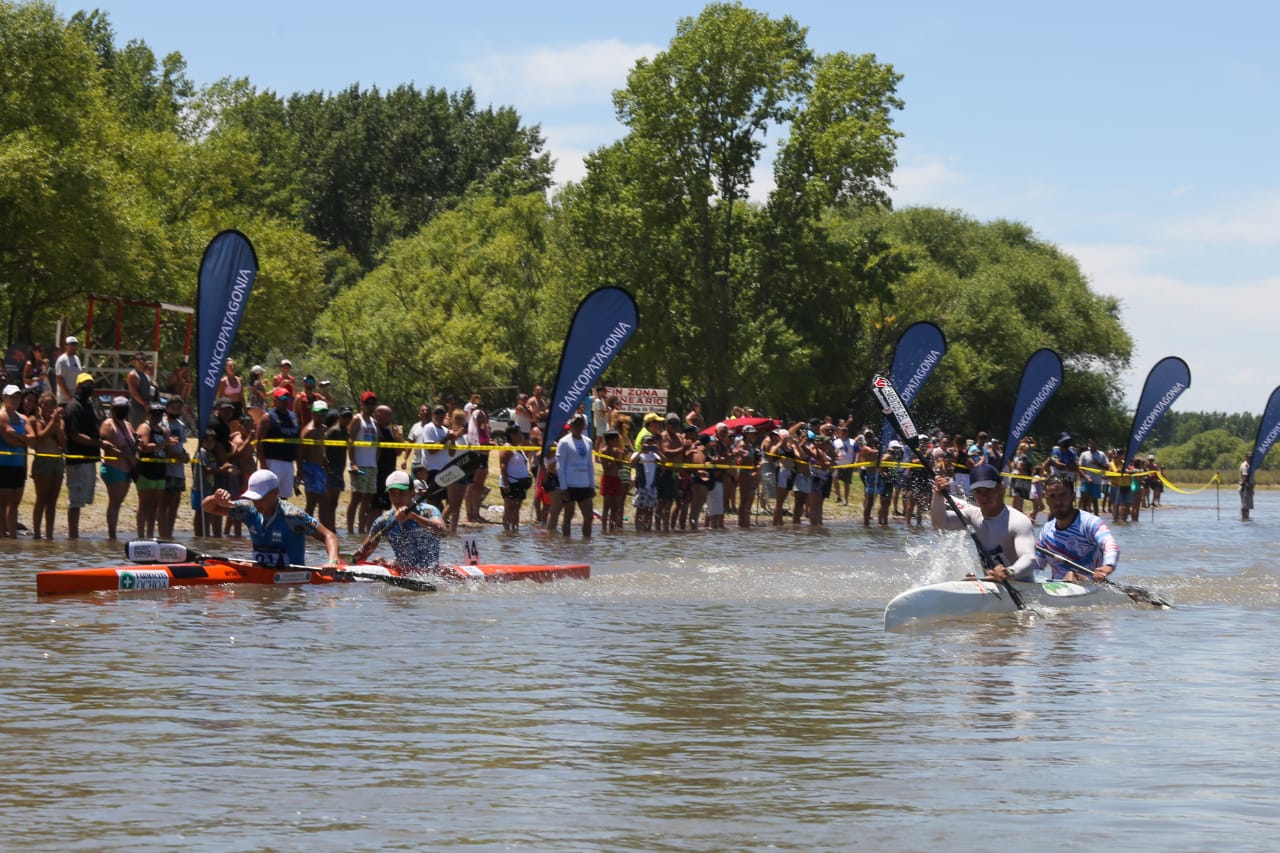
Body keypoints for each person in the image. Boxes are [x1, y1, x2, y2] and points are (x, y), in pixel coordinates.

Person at [202, 468, 340, 569]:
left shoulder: (292, 515)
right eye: (254, 498)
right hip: (260, 571)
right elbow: (208, 507)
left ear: (276, 493)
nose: (256, 503)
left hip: (292, 578)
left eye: (260, 498)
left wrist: (332, 562)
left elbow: (329, 536)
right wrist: (216, 498)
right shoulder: (247, 509)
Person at [931, 462, 1038, 583]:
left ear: (1001, 489)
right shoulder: (972, 515)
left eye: (988, 490)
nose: (983, 497)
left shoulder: (1018, 521)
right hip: (992, 585)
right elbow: (939, 523)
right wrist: (938, 495)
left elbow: (1030, 559)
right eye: (978, 491)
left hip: (1022, 588)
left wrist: (1008, 572)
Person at [352, 470, 447, 571]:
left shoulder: (428, 511)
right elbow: (362, 555)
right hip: (402, 570)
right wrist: (354, 560)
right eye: (392, 493)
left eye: (401, 493)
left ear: (412, 492)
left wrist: (413, 516)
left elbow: (443, 532)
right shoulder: (383, 521)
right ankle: (386, 562)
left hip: (430, 571)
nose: (397, 498)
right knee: (378, 560)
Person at [1037, 473, 1120, 582]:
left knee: (1071, 575)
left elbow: (1110, 544)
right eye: (1052, 496)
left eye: (1063, 495)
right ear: (1046, 499)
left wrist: (1107, 567)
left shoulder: (1090, 523)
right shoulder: (1046, 532)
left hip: (1091, 584)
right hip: (1057, 588)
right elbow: (1035, 565)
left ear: (1073, 496)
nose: (1058, 502)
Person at [62, 372, 101, 538]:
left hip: (89, 459)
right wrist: (97, 443)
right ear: (77, 387)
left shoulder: (89, 405)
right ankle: (73, 535)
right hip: (77, 460)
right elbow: (75, 435)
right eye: (85, 385)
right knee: (75, 501)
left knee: (83, 499)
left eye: (91, 385)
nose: (88, 388)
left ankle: (76, 535)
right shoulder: (73, 406)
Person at [98, 395, 137, 540]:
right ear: (113, 409)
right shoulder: (108, 424)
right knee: (115, 502)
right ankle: (112, 535)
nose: (122, 412)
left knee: (118, 503)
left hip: (127, 468)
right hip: (113, 467)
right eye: (119, 409)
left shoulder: (127, 424)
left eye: (124, 409)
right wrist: (126, 456)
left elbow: (134, 440)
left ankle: (112, 533)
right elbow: (107, 447)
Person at [0, 384, 35, 537]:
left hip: (18, 466)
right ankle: (2, 535)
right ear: (4, 397)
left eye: (17, 397)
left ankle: (13, 537)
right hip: (3, 465)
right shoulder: (1, 415)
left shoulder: (23, 418)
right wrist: (24, 440)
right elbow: (9, 439)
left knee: (15, 503)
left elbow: (33, 440)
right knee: (2, 504)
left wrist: (17, 435)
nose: (15, 400)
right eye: (12, 397)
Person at [30, 391, 65, 539]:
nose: (49, 407)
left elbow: (62, 443)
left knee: (52, 500)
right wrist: (53, 421)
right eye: (46, 404)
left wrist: (59, 427)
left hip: (57, 461)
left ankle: (49, 534)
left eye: (52, 404)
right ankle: (37, 533)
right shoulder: (36, 420)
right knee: (41, 498)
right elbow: (41, 437)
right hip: (43, 461)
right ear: (40, 405)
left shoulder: (60, 421)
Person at [133, 401, 170, 539]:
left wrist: (167, 444)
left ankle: (150, 535)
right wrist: (163, 444)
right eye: (155, 414)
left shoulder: (163, 430)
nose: (158, 417)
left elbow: (168, 448)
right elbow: (145, 447)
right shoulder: (145, 427)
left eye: (160, 414)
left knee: (155, 506)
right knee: (144, 504)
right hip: (146, 471)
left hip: (160, 471)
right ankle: (140, 535)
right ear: (149, 414)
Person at [556, 413, 596, 537]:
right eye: (575, 424)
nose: (577, 426)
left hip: (584, 484)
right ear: (571, 425)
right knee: (568, 515)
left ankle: (586, 542)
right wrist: (563, 488)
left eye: (580, 424)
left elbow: (590, 464)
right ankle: (566, 543)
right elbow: (560, 466)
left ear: (584, 425)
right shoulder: (564, 442)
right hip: (570, 485)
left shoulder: (588, 441)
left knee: (589, 516)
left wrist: (592, 485)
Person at [258, 385, 301, 498]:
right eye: (282, 399)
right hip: (272, 462)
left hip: (288, 463)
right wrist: (263, 464)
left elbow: (297, 443)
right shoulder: (268, 417)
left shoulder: (294, 417)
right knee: (270, 497)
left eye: (287, 399)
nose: (285, 401)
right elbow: (259, 442)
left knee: (284, 498)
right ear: (275, 401)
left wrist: (299, 467)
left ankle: (281, 516)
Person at [346, 391, 380, 533]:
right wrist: (353, 462)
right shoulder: (356, 419)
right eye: (367, 403)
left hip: (371, 465)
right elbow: (350, 441)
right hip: (359, 465)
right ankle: (349, 530)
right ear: (362, 403)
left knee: (368, 499)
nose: (370, 406)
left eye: (373, 403)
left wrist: (376, 462)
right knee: (356, 498)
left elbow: (377, 444)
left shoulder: (375, 422)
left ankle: (361, 530)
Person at [159, 395, 189, 539]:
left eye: (179, 407)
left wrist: (184, 455)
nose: (176, 409)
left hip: (179, 470)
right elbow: (166, 448)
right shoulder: (162, 423)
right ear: (167, 407)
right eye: (173, 406)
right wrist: (178, 456)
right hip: (166, 468)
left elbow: (180, 445)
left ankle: (169, 534)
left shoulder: (181, 425)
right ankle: (162, 534)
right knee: (164, 502)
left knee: (175, 502)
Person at [498, 423, 532, 531]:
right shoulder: (507, 448)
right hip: (510, 482)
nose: (521, 436)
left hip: (520, 483)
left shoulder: (518, 448)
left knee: (517, 508)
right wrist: (506, 483)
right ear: (512, 435)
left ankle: (515, 530)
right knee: (509, 508)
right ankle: (507, 530)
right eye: (519, 434)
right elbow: (503, 466)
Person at [300, 399, 330, 518]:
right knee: (311, 503)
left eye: (324, 413)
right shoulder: (309, 431)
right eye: (319, 413)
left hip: (320, 468)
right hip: (310, 468)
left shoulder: (323, 429)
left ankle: (321, 531)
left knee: (324, 503)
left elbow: (320, 449)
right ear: (313, 413)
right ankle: (306, 531)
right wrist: (300, 471)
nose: (321, 416)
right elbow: (301, 453)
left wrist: (324, 460)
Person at [1077, 437, 1108, 514]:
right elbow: (1080, 468)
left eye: (1093, 443)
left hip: (1097, 481)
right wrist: (1086, 477)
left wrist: (1098, 463)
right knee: (1084, 499)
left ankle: (1096, 517)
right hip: (1086, 480)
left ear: (1096, 444)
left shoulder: (1101, 454)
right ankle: (1082, 517)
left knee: (1095, 501)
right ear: (1089, 444)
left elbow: (1107, 467)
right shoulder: (1084, 454)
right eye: (1090, 443)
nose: (1092, 445)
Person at [126, 352, 156, 427]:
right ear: (134, 362)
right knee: (136, 431)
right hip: (136, 408)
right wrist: (145, 404)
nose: (142, 361)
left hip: (146, 407)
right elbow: (134, 393)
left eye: (144, 359)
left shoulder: (145, 375)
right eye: (139, 359)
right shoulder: (133, 375)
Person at [54, 336, 82, 405]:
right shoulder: (62, 360)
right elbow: (59, 379)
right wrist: (69, 396)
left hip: (75, 397)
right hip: (64, 400)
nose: (73, 347)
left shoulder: (76, 359)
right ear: (66, 346)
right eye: (71, 344)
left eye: (75, 344)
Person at [1240, 453, 1254, 521]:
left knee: (1247, 505)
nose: (1250, 458)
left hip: (1249, 488)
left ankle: (1246, 518)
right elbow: (1244, 477)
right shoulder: (1245, 465)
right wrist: (1250, 486)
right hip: (1245, 488)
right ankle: (1244, 519)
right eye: (1249, 457)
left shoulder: (1250, 465)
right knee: (1245, 505)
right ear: (1246, 457)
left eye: (1251, 457)